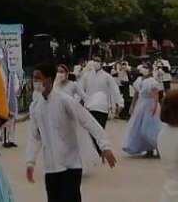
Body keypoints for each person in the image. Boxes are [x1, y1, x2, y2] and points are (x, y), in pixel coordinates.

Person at [25, 63, 117, 202]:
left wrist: (104, 146)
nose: (35, 82)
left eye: (38, 78)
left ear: (49, 79)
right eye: (34, 78)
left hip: (70, 165)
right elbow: (35, 137)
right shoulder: (36, 107)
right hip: (51, 166)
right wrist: (30, 162)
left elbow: (87, 121)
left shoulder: (65, 101)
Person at [121, 67, 162, 157]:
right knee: (139, 127)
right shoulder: (138, 80)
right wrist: (132, 105)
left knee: (150, 128)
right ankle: (149, 150)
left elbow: (156, 95)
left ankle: (159, 149)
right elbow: (136, 93)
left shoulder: (152, 81)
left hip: (150, 104)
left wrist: (154, 107)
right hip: (141, 105)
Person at [76, 58, 121, 131]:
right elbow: (79, 89)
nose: (95, 62)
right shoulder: (86, 76)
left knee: (99, 132)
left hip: (102, 108)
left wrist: (120, 102)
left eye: (97, 61)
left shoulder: (107, 76)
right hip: (89, 107)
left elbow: (115, 89)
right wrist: (76, 102)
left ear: (101, 63)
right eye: (94, 60)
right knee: (89, 132)